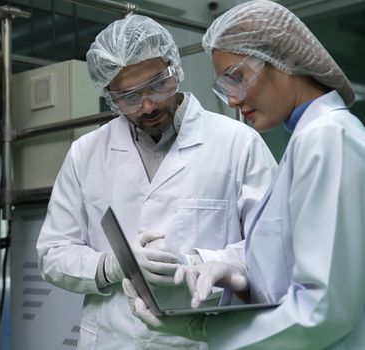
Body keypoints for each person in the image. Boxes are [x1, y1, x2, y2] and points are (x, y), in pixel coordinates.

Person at [123, 1, 365, 349]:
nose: (232, 100)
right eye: (224, 86)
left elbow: (323, 309)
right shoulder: (308, 141)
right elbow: (290, 266)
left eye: (236, 77)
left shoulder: (328, 137)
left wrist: (206, 330)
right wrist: (237, 274)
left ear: (285, 59)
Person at [36, 14, 277, 349]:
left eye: (157, 85)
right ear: (109, 96)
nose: (148, 105)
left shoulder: (238, 144)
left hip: (202, 338)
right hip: (112, 339)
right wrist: (111, 266)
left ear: (174, 69)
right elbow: (53, 253)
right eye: (129, 97)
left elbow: (273, 248)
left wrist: (196, 263)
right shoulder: (85, 153)